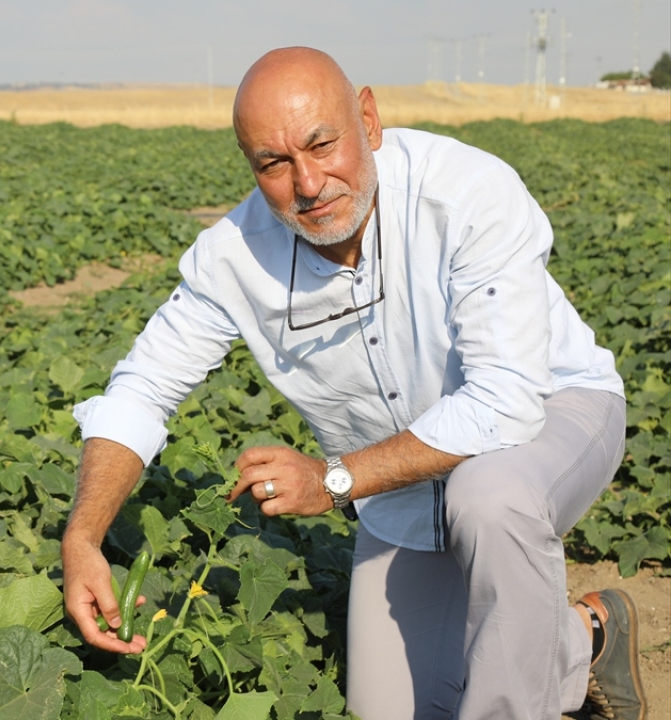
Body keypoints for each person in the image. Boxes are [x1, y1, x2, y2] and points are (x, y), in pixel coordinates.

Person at [61, 47, 645, 720]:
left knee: (491, 497)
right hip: (400, 489)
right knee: (390, 710)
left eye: (321, 144)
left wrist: (333, 479)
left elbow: (504, 402)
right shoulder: (232, 257)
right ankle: (586, 635)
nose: (308, 183)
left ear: (367, 119)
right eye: (274, 164)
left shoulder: (464, 193)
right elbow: (141, 391)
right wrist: (83, 539)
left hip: (551, 416)